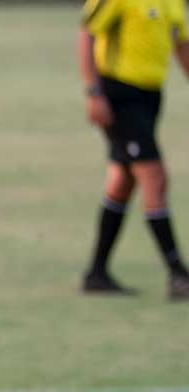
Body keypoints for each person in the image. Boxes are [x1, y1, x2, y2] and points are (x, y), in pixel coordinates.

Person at [78, 0, 189, 299]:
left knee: (123, 181)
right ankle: (178, 274)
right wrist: (93, 93)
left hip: (150, 97)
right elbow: (87, 33)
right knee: (155, 177)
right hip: (118, 94)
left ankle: (97, 272)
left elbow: (181, 44)